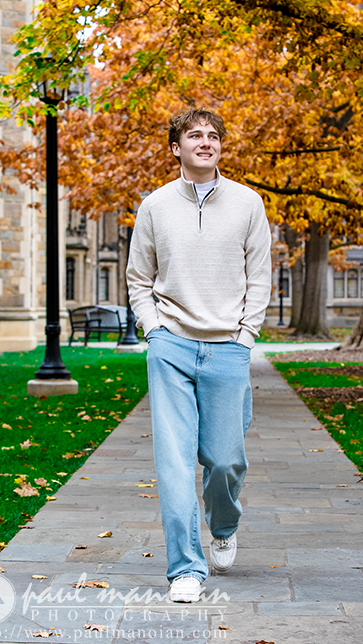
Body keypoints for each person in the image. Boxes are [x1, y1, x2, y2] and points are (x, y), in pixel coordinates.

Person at [126, 108, 271, 603]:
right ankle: (185, 568)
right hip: (171, 347)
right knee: (173, 460)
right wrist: (154, 330)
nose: (205, 142)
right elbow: (138, 278)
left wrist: (246, 336)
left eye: (213, 136)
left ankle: (223, 525)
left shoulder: (249, 204)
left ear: (221, 147)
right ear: (176, 148)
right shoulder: (154, 206)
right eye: (194, 135)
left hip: (228, 346)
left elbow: (260, 277)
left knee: (226, 460)